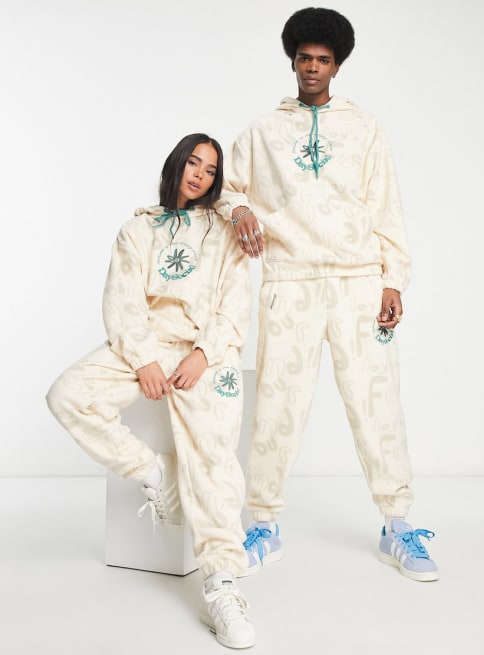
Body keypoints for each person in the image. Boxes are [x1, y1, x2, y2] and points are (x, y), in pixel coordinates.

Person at [216, 7, 439, 583]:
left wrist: (393, 279)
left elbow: (386, 206)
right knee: (276, 404)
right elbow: (224, 188)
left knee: (376, 401)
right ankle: (263, 525)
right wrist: (239, 209)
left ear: (337, 66)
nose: (312, 67)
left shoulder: (365, 128)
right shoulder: (263, 131)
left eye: (323, 59)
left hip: (358, 278)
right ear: (292, 62)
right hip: (289, 280)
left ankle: (397, 526)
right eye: (304, 58)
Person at [46, 133, 257, 648]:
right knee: (68, 394)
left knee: (213, 458)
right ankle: (155, 473)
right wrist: (143, 359)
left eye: (211, 170)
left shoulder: (225, 233)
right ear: (176, 164)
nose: (199, 175)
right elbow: (122, 300)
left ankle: (222, 584)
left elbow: (235, 305)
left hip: (205, 353)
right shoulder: (138, 228)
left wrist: (203, 353)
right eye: (193, 163)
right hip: (147, 344)